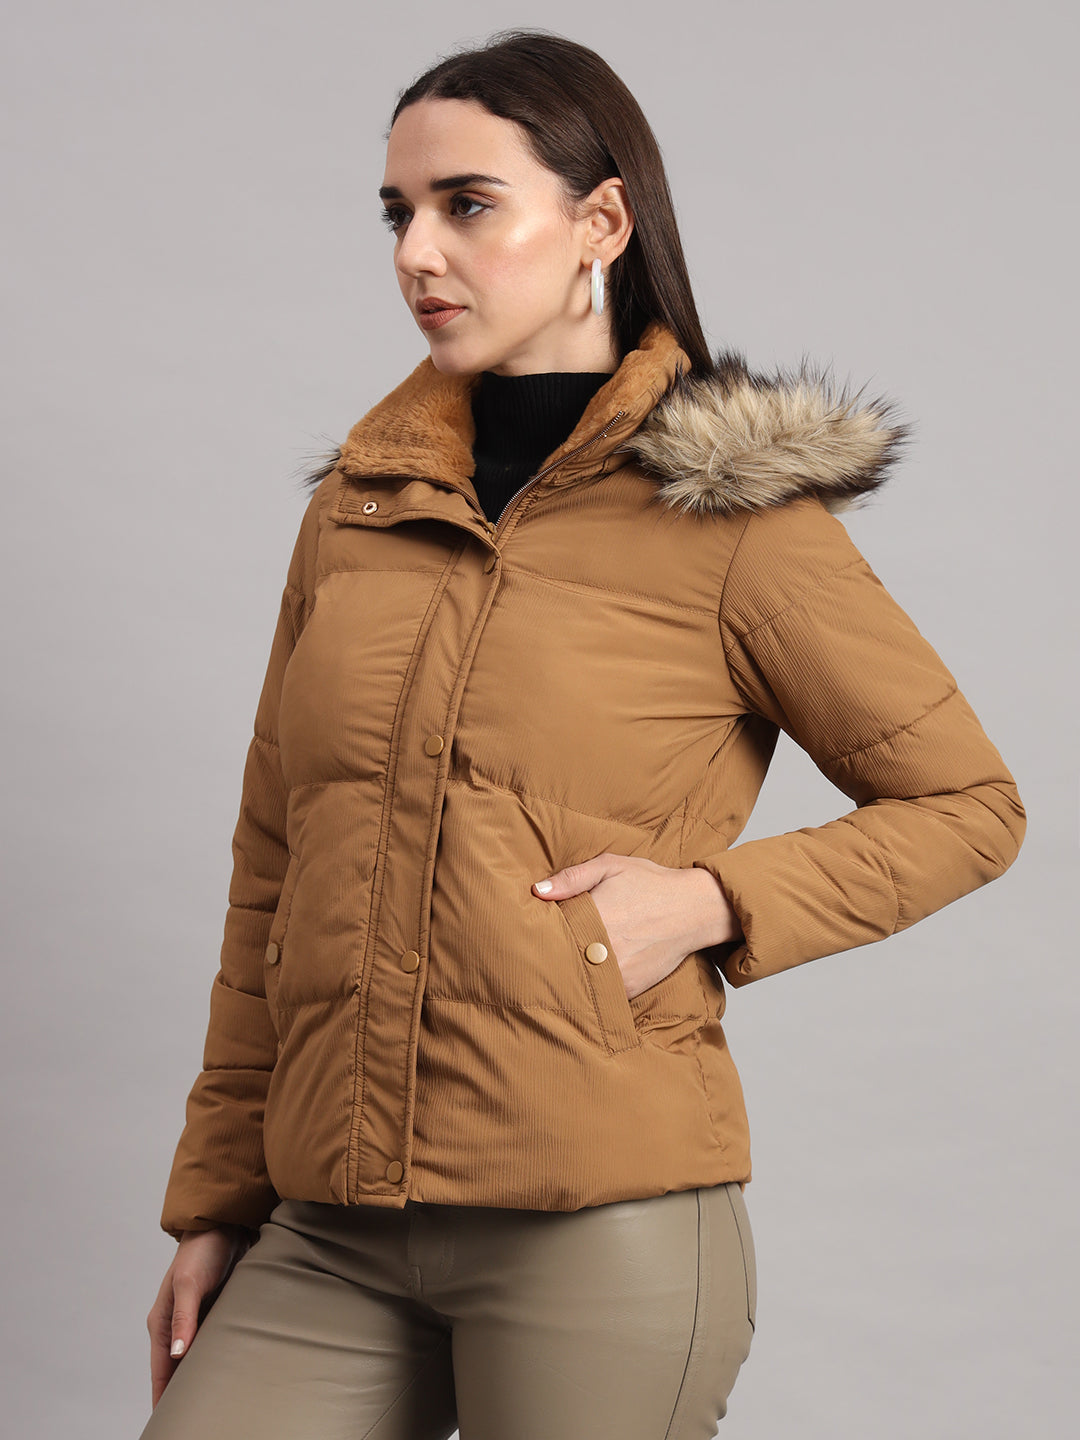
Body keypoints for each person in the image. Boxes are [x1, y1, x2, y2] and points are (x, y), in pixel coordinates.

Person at [141, 27, 1026, 1440]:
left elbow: (970, 806)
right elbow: (273, 874)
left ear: (600, 222)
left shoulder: (733, 515)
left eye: (466, 205)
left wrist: (712, 900)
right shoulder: (358, 511)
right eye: (397, 213)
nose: (417, 253)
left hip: (598, 1230)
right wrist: (217, 1203)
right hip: (329, 1227)